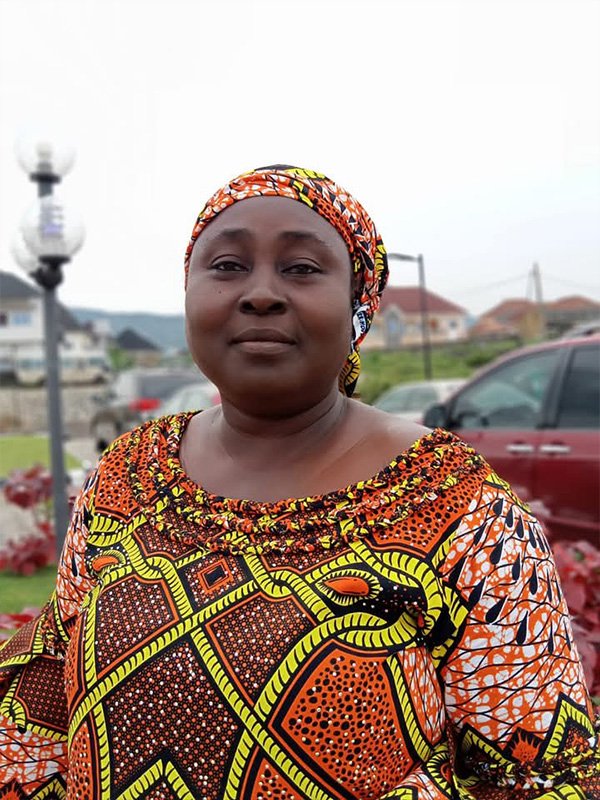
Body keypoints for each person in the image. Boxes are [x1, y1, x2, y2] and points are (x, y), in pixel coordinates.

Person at [0, 165, 598, 800]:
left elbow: (544, 777)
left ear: (358, 309)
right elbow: (47, 692)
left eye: (303, 268)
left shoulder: (458, 505)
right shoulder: (127, 474)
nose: (260, 293)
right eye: (227, 265)